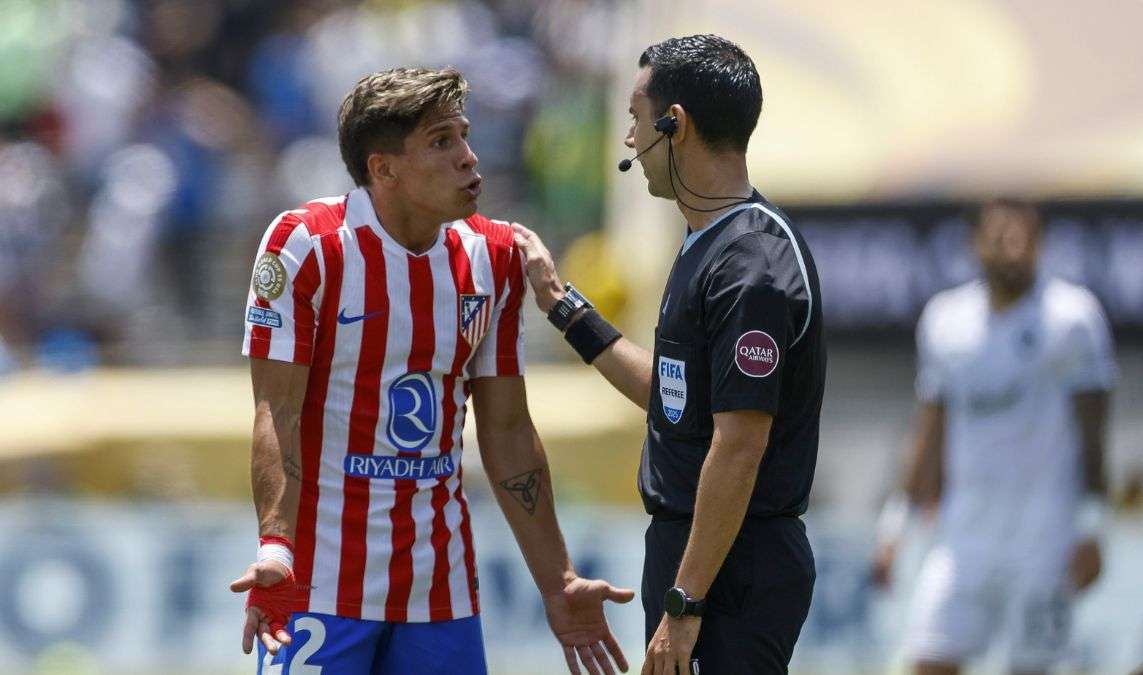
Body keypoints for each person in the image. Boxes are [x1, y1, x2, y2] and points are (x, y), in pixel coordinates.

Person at [228, 67, 633, 675]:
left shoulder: (494, 257)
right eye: (442, 142)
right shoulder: (306, 245)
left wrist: (559, 580)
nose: (469, 157)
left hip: (440, 593)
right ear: (384, 169)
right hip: (318, 582)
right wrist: (276, 548)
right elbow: (276, 411)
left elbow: (507, 432)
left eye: (464, 135)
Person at [514, 34, 824, 675]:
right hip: (700, 558)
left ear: (673, 124)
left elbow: (738, 446)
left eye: (636, 118)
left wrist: (686, 604)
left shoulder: (752, 266)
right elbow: (678, 399)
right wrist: (563, 307)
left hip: (731, 568)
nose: (630, 139)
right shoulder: (707, 241)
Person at [870, 198, 1116, 674]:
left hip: (1044, 538)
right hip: (964, 538)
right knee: (928, 659)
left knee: (1032, 668)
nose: (1012, 248)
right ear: (976, 244)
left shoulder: (1073, 318)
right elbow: (931, 428)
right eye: (1000, 236)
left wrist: (1092, 525)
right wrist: (896, 524)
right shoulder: (945, 320)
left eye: (1023, 237)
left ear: (1039, 244)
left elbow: (1095, 433)